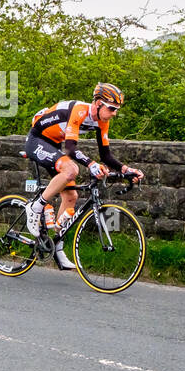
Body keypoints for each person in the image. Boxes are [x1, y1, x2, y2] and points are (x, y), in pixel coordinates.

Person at [23, 84, 144, 268]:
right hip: (37, 140)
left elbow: (106, 156)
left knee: (71, 196)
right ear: (97, 103)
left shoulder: (103, 121)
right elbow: (70, 149)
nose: (114, 113)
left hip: (54, 144)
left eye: (116, 110)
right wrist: (91, 164)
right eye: (111, 108)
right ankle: (36, 206)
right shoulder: (79, 111)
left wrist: (127, 170)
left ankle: (57, 247)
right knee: (71, 169)